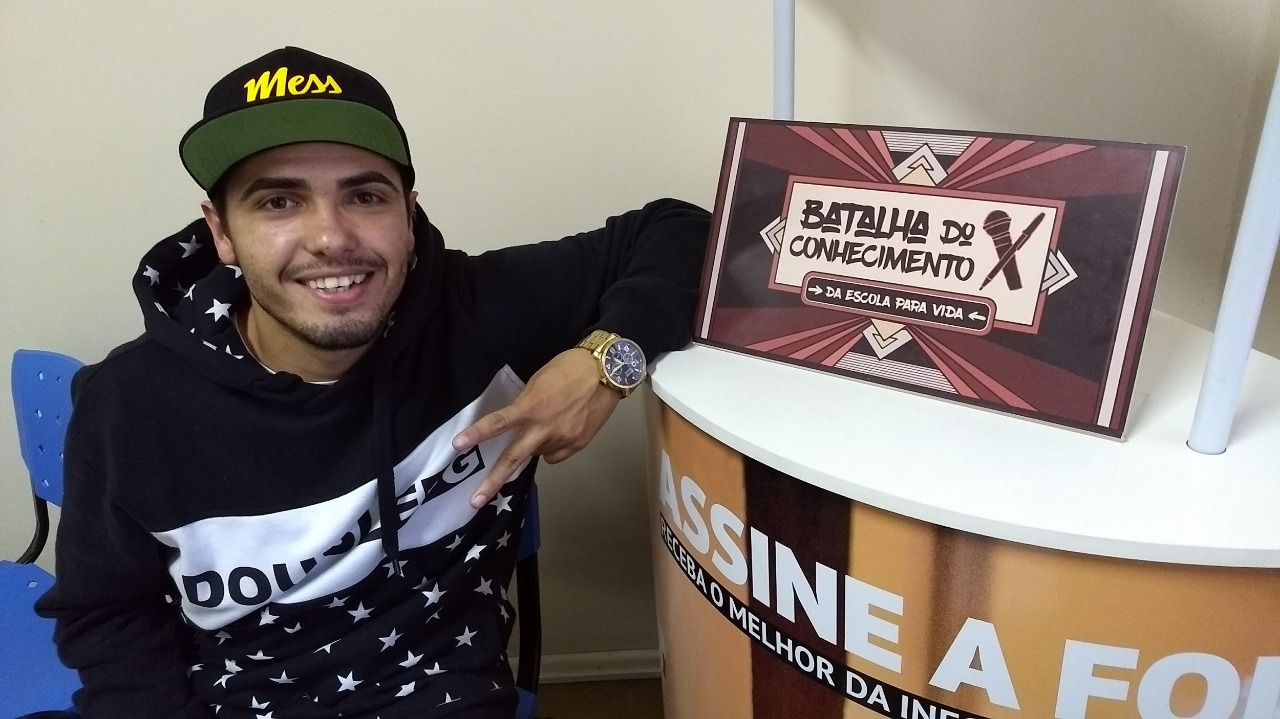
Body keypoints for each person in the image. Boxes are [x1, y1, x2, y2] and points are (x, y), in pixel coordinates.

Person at [35, 46, 709, 718]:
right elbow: (110, 615)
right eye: (279, 201)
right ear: (222, 232)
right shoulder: (130, 403)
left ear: (408, 216)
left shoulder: (477, 313)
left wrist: (606, 362)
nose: (331, 237)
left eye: (364, 195)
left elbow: (688, 231)